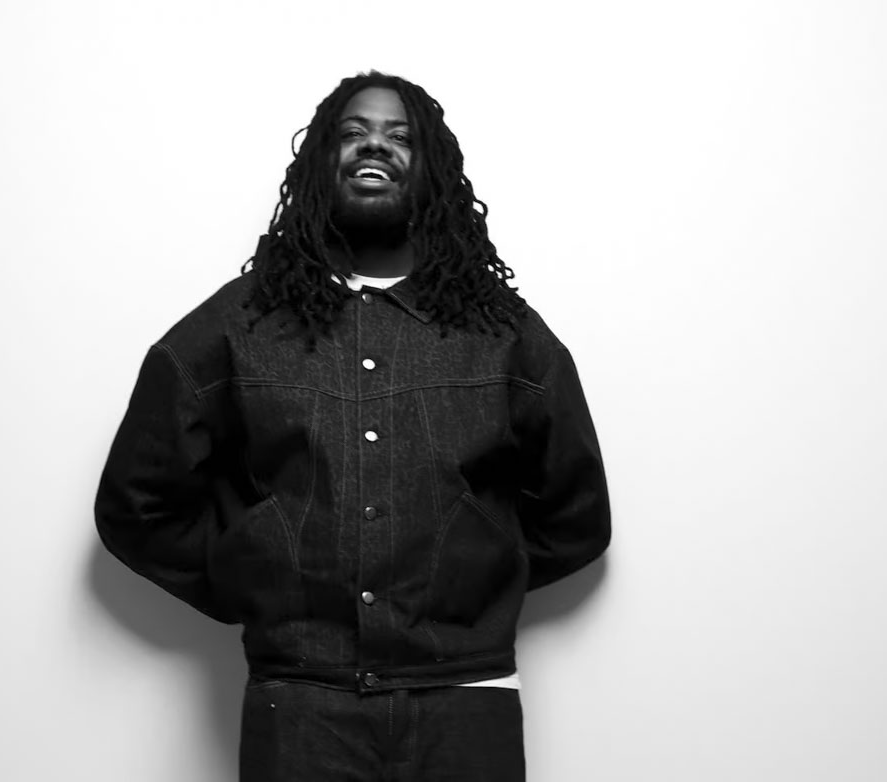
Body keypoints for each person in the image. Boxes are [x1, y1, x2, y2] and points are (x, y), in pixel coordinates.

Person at [94, 71, 611, 782]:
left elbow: (577, 516)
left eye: (401, 137)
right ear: (317, 166)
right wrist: (256, 571)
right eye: (353, 132)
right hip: (300, 705)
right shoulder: (240, 325)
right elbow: (137, 503)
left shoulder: (503, 333)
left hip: (466, 702)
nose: (376, 146)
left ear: (434, 170)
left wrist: (475, 572)